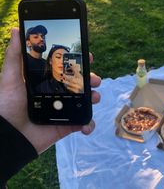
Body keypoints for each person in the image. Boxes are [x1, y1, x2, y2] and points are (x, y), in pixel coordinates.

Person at [0, 28, 101, 188]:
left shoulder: (75, 85)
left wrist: (78, 91)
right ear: (50, 62)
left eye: (67, 58)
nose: (62, 62)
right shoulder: (38, 83)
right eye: (58, 57)